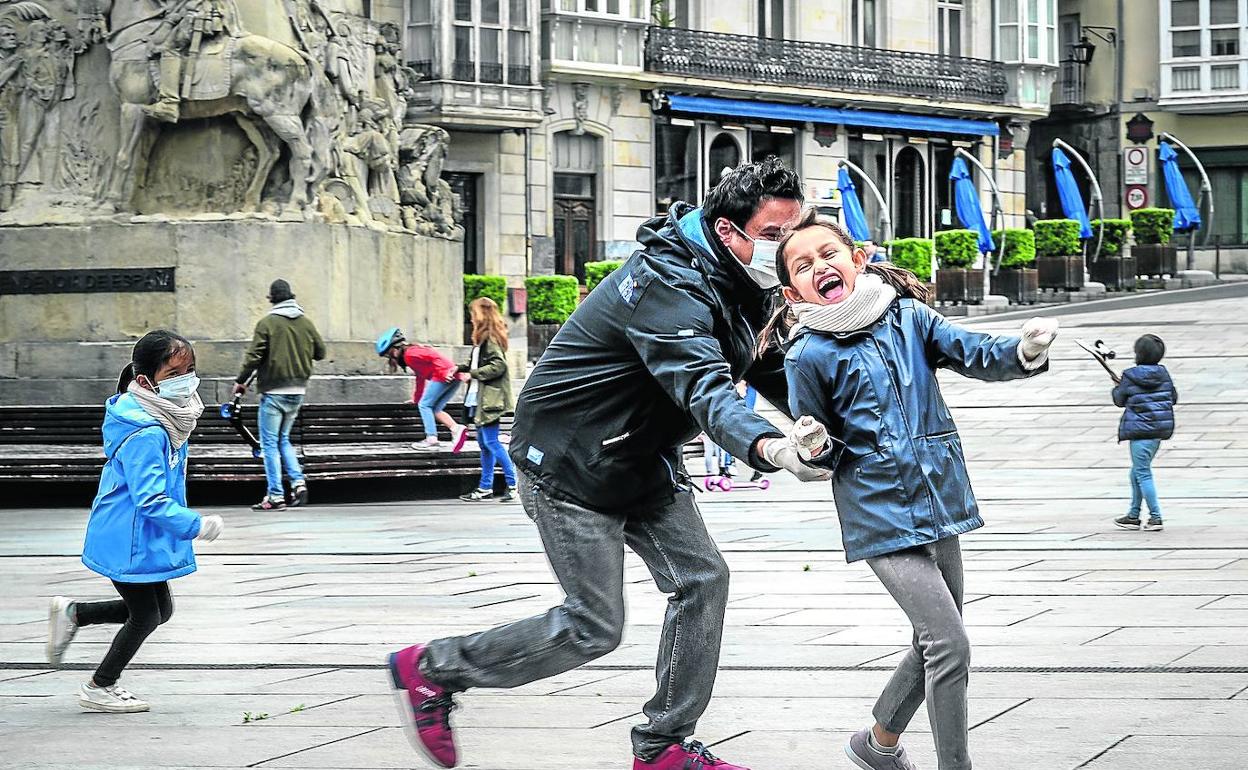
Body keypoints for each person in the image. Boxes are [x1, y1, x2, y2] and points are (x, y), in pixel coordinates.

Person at [385, 157, 832, 770]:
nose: (787, 251)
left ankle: (662, 747)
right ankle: (432, 669)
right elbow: (704, 387)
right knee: (594, 625)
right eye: (776, 237)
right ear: (730, 233)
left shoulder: (739, 279)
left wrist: (838, 420)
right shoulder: (665, 287)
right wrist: (770, 447)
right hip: (571, 465)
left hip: (640, 456)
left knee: (703, 580)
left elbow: (764, 364)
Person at [760, 210, 1058, 770]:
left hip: (939, 498)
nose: (819, 266)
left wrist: (1023, 352)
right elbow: (821, 451)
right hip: (879, 515)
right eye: (802, 266)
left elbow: (973, 351)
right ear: (790, 289)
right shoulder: (806, 355)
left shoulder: (911, 319)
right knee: (949, 644)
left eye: (829, 254)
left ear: (858, 258)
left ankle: (877, 744)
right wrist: (813, 444)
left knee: (935, 642)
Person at [45, 330, 225, 713]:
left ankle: (75, 613)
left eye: (190, 369)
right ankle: (100, 685)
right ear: (144, 381)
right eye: (175, 372)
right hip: (128, 535)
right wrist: (195, 525)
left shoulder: (166, 416)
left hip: (141, 534)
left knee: (161, 612)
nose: (187, 379)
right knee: (145, 616)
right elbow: (150, 499)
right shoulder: (146, 429)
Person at [234, 279, 326, 512]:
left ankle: (275, 495)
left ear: (272, 299)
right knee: (284, 439)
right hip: (298, 391)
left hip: (274, 391)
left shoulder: (267, 323)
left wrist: (240, 382)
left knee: (269, 444)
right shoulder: (306, 323)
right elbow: (320, 352)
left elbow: (254, 357)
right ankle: (298, 482)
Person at [1112, 334, 1178, 532]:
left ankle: (1155, 517)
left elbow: (1119, 400)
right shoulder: (1163, 374)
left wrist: (1118, 386)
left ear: (1138, 354)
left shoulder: (1130, 375)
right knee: (1136, 473)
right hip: (1158, 432)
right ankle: (1133, 515)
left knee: (1142, 473)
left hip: (1139, 433)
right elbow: (1173, 397)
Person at [458, 298, 517, 503]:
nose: (471, 317)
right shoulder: (483, 339)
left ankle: (513, 483)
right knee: (485, 444)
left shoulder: (490, 339)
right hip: (480, 398)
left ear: (482, 315)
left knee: (491, 442)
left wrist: (472, 374)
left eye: (474, 313)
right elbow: (475, 362)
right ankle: (485, 487)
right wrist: (460, 369)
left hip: (489, 399)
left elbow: (498, 366)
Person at [375, 328, 469, 453]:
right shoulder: (409, 356)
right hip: (454, 376)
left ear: (395, 349)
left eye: (389, 354)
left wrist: (445, 372)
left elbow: (434, 356)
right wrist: (416, 398)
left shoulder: (410, 353)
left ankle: (431, 438)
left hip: (444, 374)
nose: (390, 358)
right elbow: (420, 377)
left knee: (425, 405)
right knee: (435, 408)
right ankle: (456, 429)